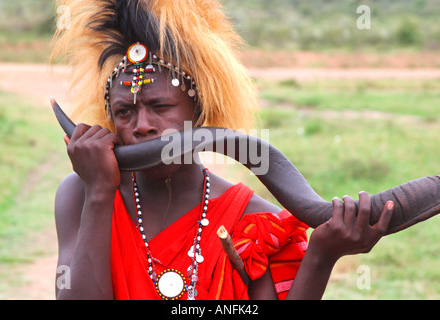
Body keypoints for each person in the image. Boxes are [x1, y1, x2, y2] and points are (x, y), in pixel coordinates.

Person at [52, 0, 394, 300]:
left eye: (160, 106)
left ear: (200, 112)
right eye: (125, 112)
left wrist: (322, 255)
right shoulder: (80, 195)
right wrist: (98, 192)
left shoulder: (254, 225)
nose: (142, 125)